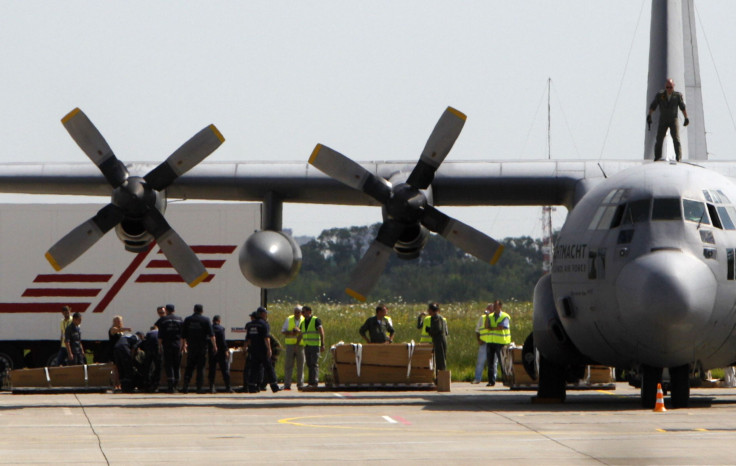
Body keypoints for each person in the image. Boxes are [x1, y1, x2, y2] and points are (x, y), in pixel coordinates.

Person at [647, 78, 689, 162]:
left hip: (673, 119)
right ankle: (657, 157)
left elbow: (682, 107)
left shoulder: (677, 96)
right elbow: (653, 105)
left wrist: (686, 118)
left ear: (673, 87)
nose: (669, 89)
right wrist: (649, 115)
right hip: (663, 120)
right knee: (659, 139)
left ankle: (678, 157)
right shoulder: (660, 95)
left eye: (670, 87)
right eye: (667, 87)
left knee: (676, 139)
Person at [181, 304, 216, 394]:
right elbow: (212, 335)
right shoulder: (206, 320)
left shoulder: (188, 319)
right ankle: (199, 388)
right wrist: (215, 346)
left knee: (189, 367)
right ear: (202, 311)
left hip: (191, 347)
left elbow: (183, 335)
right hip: (202, 348)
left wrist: (183, 346)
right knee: (201, 368)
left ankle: (185, 387)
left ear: (194, 310)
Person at [244, 307, 279, 393]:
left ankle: (252, 387)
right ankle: (274, 386)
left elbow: (248, 339)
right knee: (269, 368)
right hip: (263, 350)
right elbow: (266, 338)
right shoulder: (264, 324)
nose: (266, 315)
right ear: (261, 314)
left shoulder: (250, 325)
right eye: (265, 313)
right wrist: (269, 349)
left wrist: (246, 348)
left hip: (254, 350)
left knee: (254, 369)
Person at [156, 303, 184, 393]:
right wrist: (183, 346)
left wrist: (159, 346)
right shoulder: (180, 320)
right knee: (177, 365)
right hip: (177, 345)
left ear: (166, 311)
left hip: (167, 345)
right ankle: (176, 385)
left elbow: (160, 335)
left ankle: (171, 387)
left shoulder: (163, 320)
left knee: (169, 365)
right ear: (174, 310)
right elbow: (183, 335)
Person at [298, 305, 325, 388]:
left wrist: (322, 344)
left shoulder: (316, 320)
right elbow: (301, 334)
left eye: (304, 311)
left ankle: (314, 382)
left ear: (309, 312)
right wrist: (297, 344)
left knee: (314, 364)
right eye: (302, 312)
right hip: (307, 346)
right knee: (309, 364)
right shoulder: (302, 323)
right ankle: (310, 382)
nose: (302, 314)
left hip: (315, 345)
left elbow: (321, 332)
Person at [485, 300, 511, 387]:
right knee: (490, 363)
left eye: (496, 306)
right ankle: (491, 381)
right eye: (493, 306)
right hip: (490, 342)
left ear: (500, 306)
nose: (494, 307)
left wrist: (492, 328)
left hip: (500, 343)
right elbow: (486, 326)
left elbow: (501, 327)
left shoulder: (505, 316)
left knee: (502, 362)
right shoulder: (490, 316)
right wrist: (487, 316)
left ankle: (505, 379)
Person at [280, 305, 305, 391]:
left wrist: (299, 331)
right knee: (288, 365)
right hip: (290, 345)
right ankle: (287, 384)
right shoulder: (289, 319)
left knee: (300, 365)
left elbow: (306, 332)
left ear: (301, 312)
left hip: (300, 345)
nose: (297, 314)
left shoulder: (304, 320)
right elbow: (283, 331)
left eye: (299, 312)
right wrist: (291, 332)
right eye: (295, 312)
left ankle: (300, 384)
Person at [208, 314, 232, 393]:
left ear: (213, 321)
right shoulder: (221, 329)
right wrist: (226, 350)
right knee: (224, 369)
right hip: (221, 351)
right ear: (219, 321)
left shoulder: (210, 328)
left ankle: (211, 387)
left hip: (212, 351)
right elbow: (223, 341)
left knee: (212, 369)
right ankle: (228, 387)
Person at [472, 303, 494, 384]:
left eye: (490, 309)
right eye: (487, 309)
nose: (487, 311)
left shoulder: (496, 318)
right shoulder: (482, 318)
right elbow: (477, 330)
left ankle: (492, 379)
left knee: (493, 363)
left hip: (493, 343)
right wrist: (479, 340)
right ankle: (477, 379)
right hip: (484, 343)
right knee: (480, 362)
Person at [426, 303, 448, 371]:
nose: (428, 311)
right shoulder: (438, 317)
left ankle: (441, 375)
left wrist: (430, 330)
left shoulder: (436, 317)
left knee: (440, 359)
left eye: (429, 310)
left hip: (439, 340)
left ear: (432, 310)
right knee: (438, 358)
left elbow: (438, 329)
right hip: (439, 339)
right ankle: (439, 375)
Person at [139, 325, 160, 392]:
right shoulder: (159, 332)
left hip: (149, 350)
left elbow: (144, 342)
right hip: (157, 349)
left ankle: (147, 385)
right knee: (158, 367)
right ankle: (155, 385)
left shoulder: (149, 333)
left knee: (148, 367)